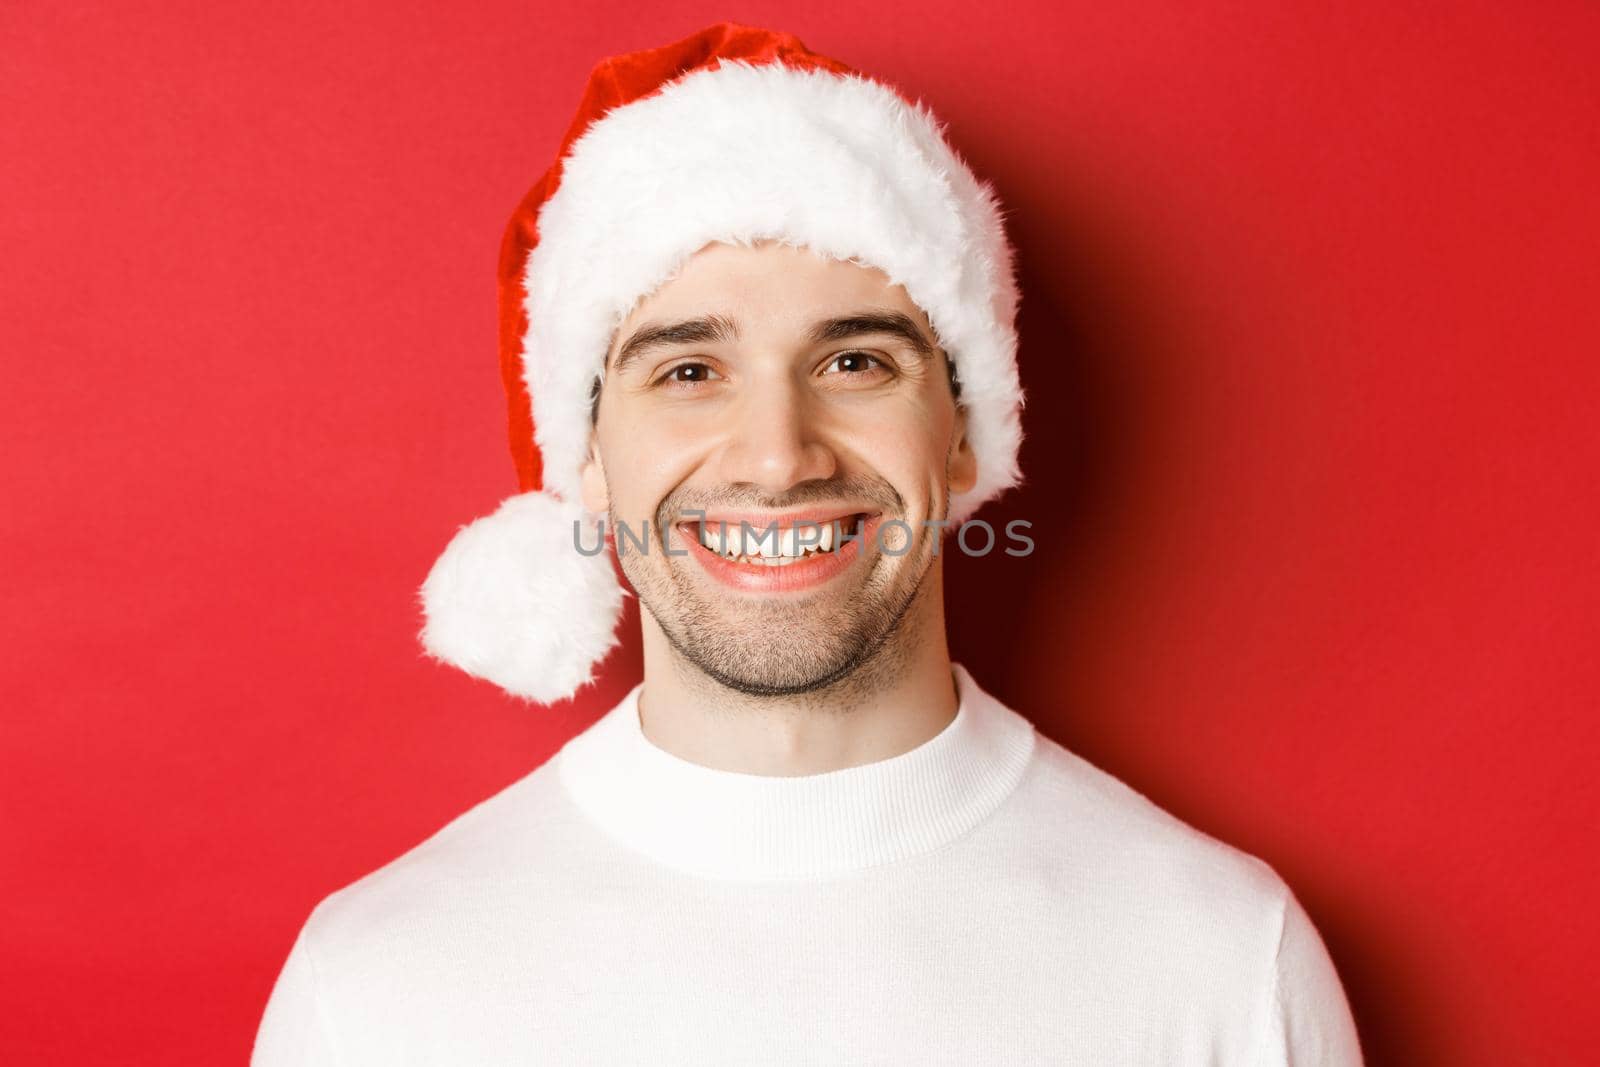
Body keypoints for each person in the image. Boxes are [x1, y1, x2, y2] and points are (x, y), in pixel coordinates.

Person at [252, 22, 1365, 1066]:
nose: (778, 456)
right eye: (689, 371)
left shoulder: (1223, 959)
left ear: (968, 431)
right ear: (585, 461)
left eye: (854, 363)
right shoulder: (379, 989)